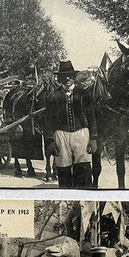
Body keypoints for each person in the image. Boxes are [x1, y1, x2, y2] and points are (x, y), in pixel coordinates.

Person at [45, 60, 98, 188]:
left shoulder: (83, 94)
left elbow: (91, 116)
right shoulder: (53, 95)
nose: (67, 78)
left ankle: (84, 198)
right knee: (63, 170)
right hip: (61, 135)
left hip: (81, 134)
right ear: (59, 78)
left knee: (84, 170)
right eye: (64, 76)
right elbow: (48, 120)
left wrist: (94, 138)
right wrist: (50, 141)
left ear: (74, 77)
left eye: (70, 75)